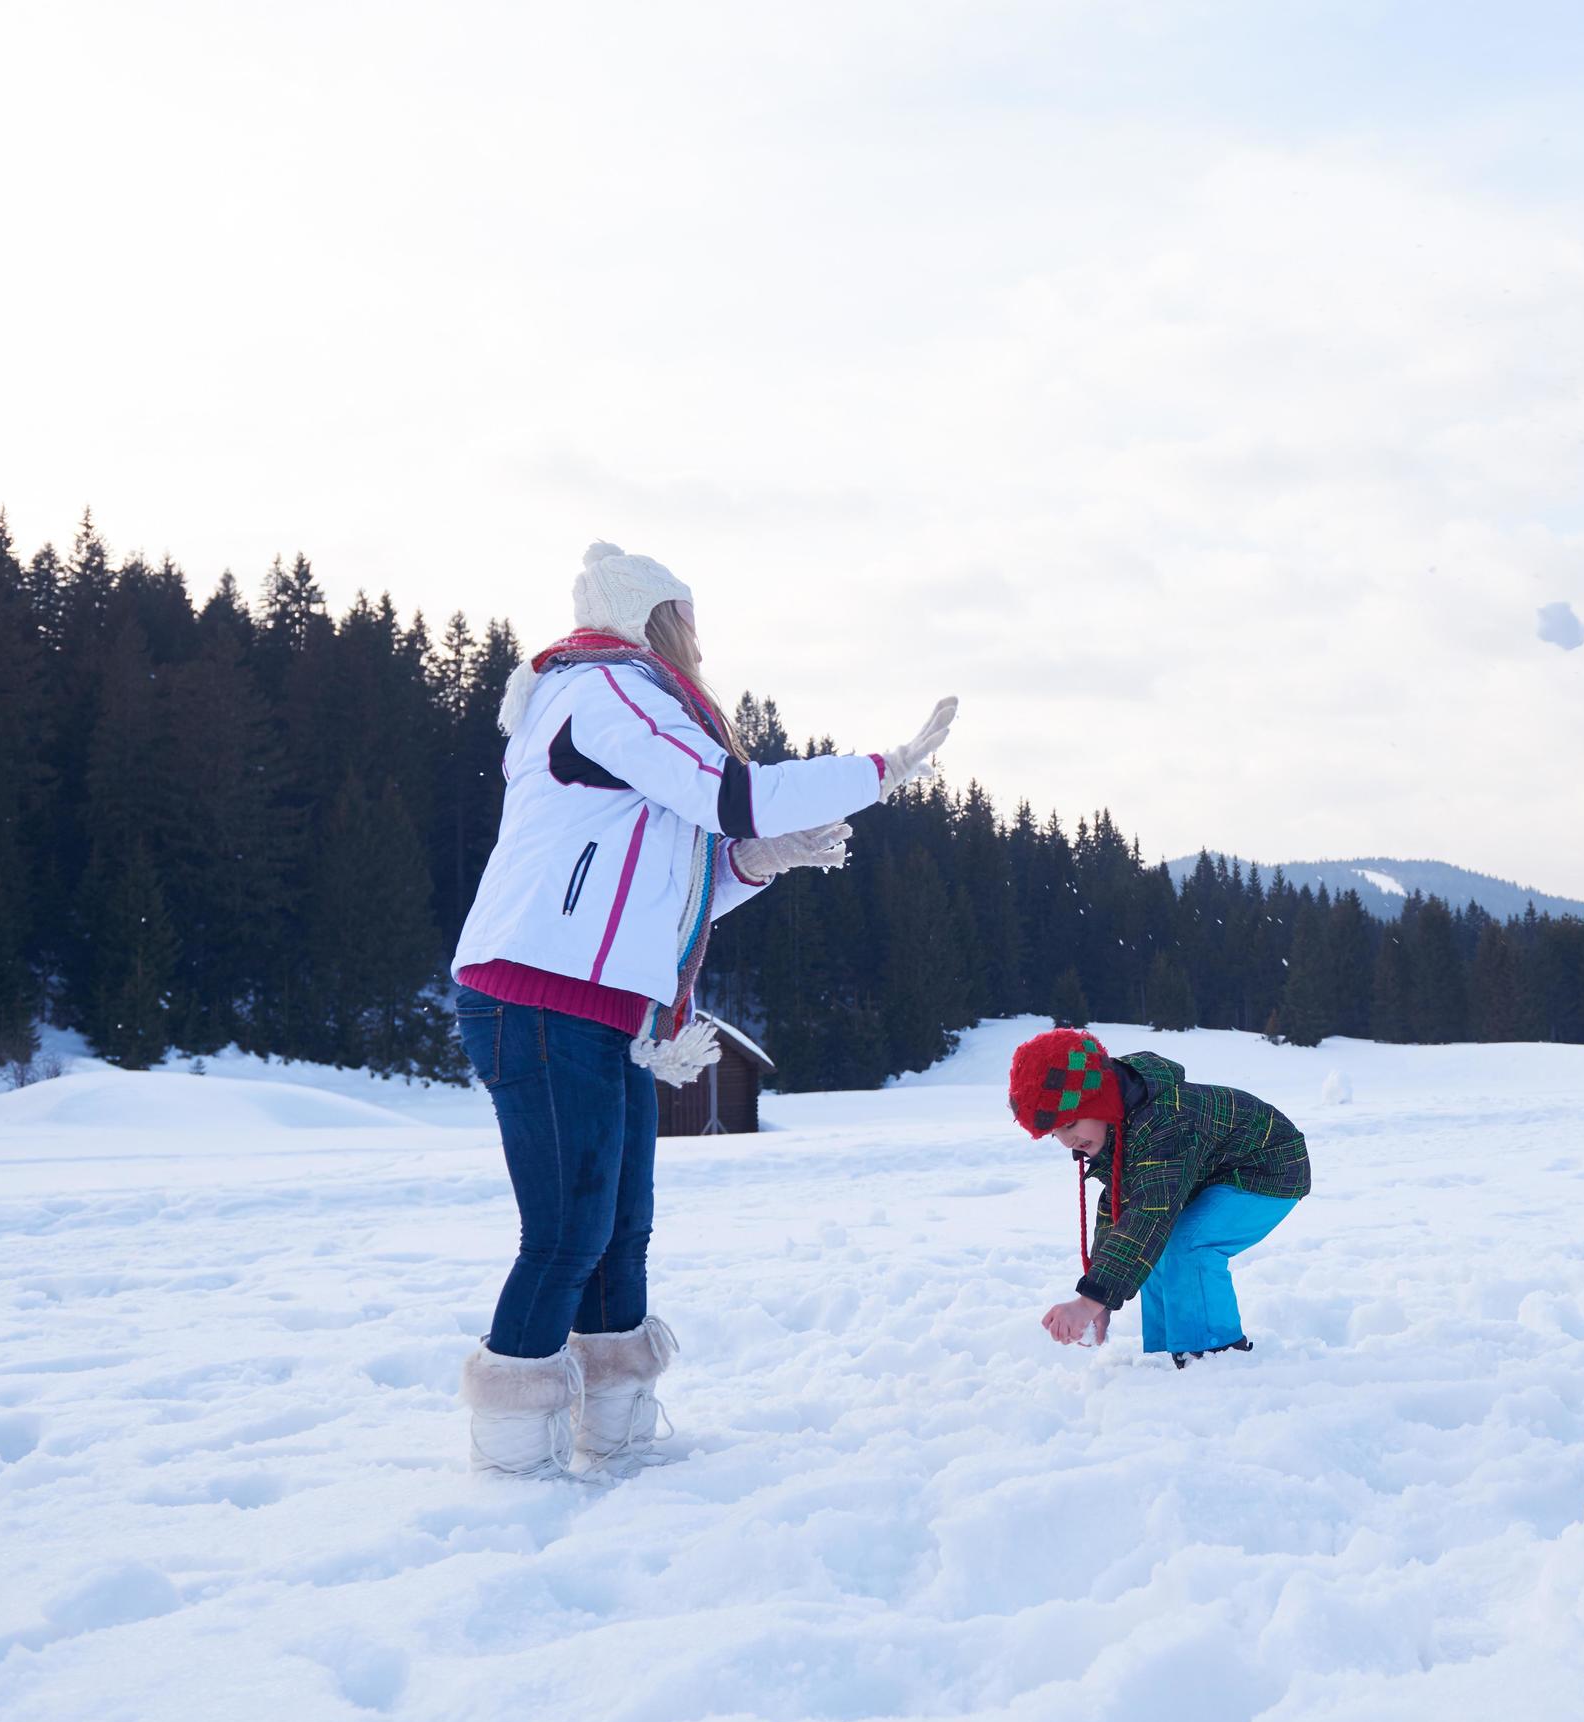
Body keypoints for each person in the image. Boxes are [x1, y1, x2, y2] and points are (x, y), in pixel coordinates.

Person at [450, 540, 958, 1479]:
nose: (696, 639)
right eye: (684, 618)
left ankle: (616, 1432)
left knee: (620, 1227)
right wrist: (878, 769)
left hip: (607, 1010)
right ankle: (515, 1456)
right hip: (534, 994)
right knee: (566, 1231)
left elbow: (679, 880)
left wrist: (761, 862)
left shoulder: (645, 709)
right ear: (651, 617)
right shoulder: (599, 690)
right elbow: (733, 797)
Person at [1008, 1029, 1310, 1365]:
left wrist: (1090, 1300)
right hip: (1212, 1174)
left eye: (1072, 1123)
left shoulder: (1163, 1124)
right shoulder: (1119, 1128)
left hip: (1270, 1165)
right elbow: (1122, 1213)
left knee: (1187, 1243)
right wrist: (1100, 1298)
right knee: (1155, 1246)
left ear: (1102, 1101)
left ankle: (1214, 1355)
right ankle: (1171, 1350)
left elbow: (1149, 1216)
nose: (1067, 1141)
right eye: (1056, 1133)